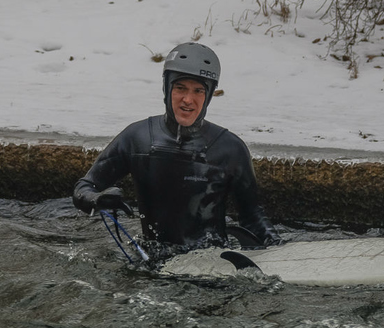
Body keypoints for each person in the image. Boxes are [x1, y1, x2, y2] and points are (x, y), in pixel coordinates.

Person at [72, 42, 280, 255]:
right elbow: (84, 187)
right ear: (167, 88)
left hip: (212, 268)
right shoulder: (137, 138)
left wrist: (277, 251)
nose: (188, 100)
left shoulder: (230, 149)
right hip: (153, 264)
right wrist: (96, 200)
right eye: (180, 88)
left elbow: (252, 217)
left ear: (208, 96)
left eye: (198, 91)